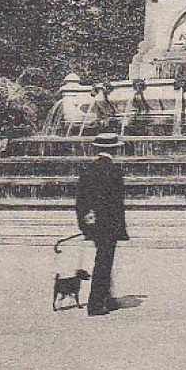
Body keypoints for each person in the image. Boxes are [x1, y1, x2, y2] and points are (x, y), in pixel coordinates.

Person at [75, 132, 129, 316]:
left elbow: (80, 199)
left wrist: (84, 221)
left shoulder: (87, 169)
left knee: (102, 260)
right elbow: (116, 203)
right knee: (104, 262)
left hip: (92, 222)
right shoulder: (114, 171)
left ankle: (106, 298)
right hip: (109, 224)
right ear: (115, 149)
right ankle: (96, 304)